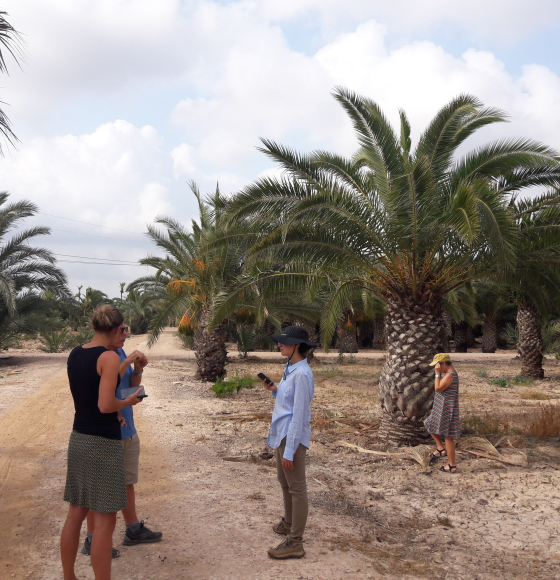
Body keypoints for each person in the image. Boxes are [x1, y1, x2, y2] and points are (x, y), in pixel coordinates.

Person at [60, 305, 143, 580]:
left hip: (79, 439)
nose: (125, 334)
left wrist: (127, 366)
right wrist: (127, 402)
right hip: (103, 446)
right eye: (124, 330)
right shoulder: (107, 357)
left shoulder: (76, 353)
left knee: (76, 514)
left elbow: (96, 387)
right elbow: (105, 403)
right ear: (118, 329)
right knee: (106, 522)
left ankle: (69, 576)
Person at [81, 339, 162, 558]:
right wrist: (126, 360)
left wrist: (138, 369)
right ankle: (92, 539)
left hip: (127, 429)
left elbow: (127, 384)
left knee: (127, 482)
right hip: (108, 432)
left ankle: (133, 529)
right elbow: (108, 384)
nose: (125, 334)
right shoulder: (101, 357)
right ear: (111, 329)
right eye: (122, 329)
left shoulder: (119, 352)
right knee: (99, 489)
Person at [260, 326, 316, 560]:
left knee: (297, 488)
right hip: (283, 433)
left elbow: (299, 414)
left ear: (296, 346)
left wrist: (290, 451)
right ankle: (289, 522)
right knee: (284, 482)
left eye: (284, 342)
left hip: (292, 437)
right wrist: (275, 390)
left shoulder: (302, 374)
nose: (279, 345)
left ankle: (295, 541)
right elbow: (289, 401)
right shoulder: (290, 368)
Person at [424, 353, 460, 473]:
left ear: (443, 364)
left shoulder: (450, 375)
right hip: (441, 406)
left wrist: (437, 373)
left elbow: (438, 388)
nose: (436, 367)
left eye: (438, 365)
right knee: (429, 423)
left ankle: (452, 465)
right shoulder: (447, 374)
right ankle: (440, 448)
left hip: (447, 408)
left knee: (448, 436)